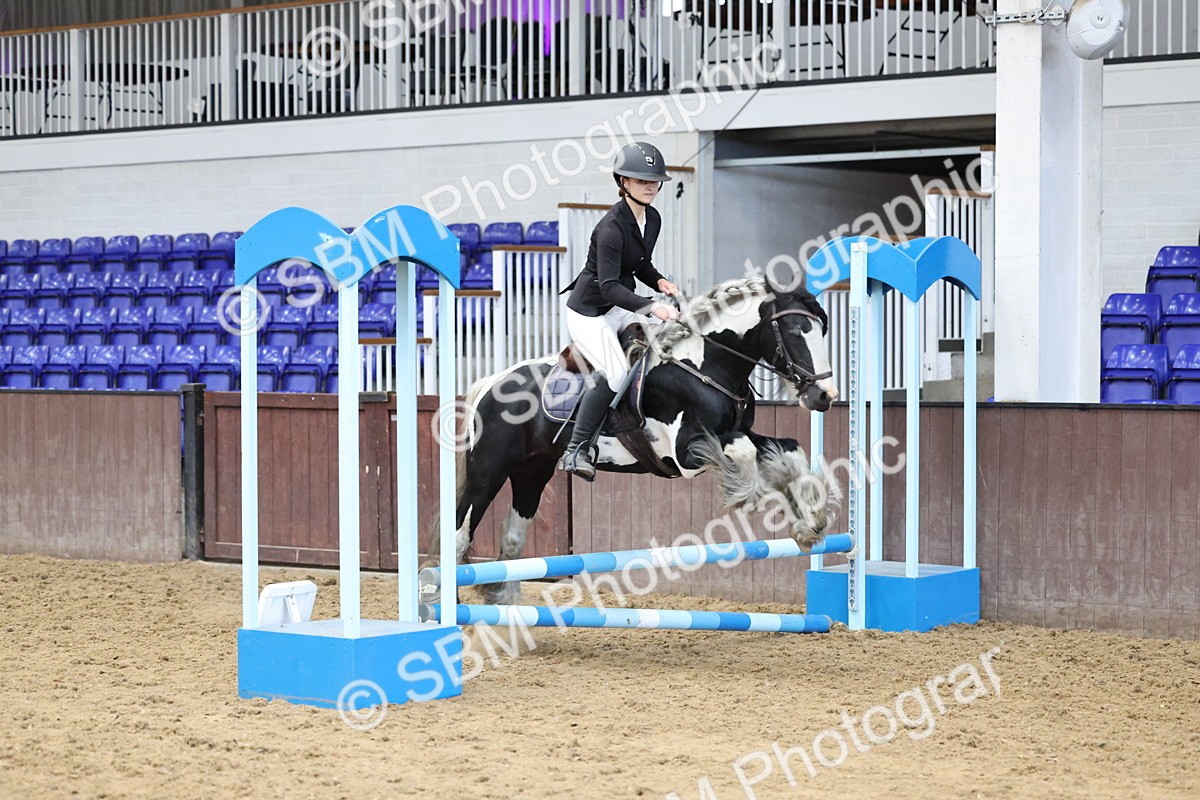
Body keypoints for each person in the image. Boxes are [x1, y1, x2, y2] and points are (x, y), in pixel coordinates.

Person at [558, 141, 681, 481]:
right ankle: (576, 449)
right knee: (614, 374)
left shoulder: (652, 218)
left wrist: (659, 282)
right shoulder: (610, 228)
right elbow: (610, 285)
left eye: (654, 180)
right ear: (623, 182)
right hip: (588, 312)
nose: (650, 185)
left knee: (658, 344)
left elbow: (640, 264)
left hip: (618, 305)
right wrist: (651, 307)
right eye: (642, 180)